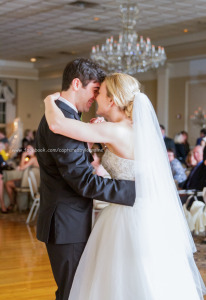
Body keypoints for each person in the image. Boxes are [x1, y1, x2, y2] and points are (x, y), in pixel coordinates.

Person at [44, 72, 206, 300]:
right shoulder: (133, 129)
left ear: (111, 100)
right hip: (147, 213)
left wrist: (49, 101)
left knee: (118, 279)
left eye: (99, 93)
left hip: (125, 215)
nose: (95, 97)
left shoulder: (114, 130)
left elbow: (56, 123)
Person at [35, 59, 136, 300]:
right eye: (94, 90)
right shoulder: (60, 120)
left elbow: (75, 167)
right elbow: (82, 181)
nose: (95, 97)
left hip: (70, 220)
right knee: (73, 291)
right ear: (77, 83)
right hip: (66, 224)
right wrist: (133, 192)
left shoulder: (65, 117)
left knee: (80, 289)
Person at [5, 143, 39, 211]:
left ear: (34, 150)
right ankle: (16, 203)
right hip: (32, 182)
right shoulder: (33, 158)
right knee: (13, 180)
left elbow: (22, 168)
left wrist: (23, 156)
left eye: (29, 149)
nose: (27, 151)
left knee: (7, 183)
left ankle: (12, 203)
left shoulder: (33, 159)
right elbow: (21, 167)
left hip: (30, 183)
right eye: (27, 149)